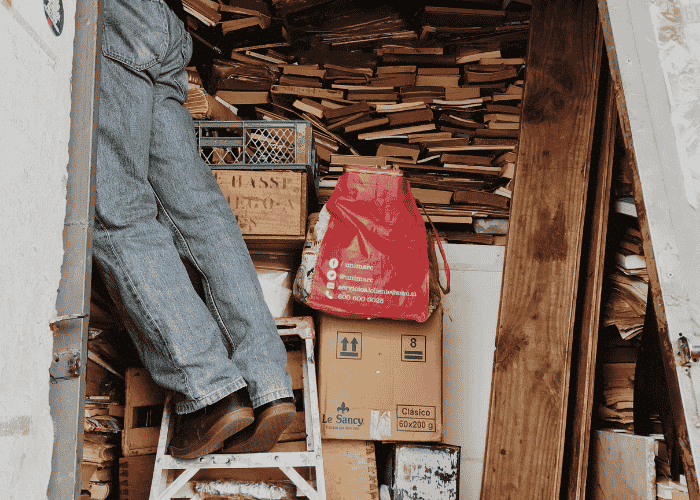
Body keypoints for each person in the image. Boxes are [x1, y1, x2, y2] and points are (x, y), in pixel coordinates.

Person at [92, 0, 296, 458]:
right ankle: (268, 385)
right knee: (199, 214)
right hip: (163, 23)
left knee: (116, 212)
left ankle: (210, 392)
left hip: (112, 17)